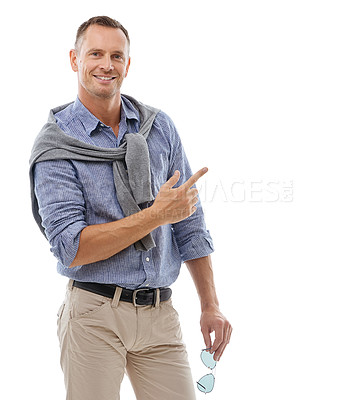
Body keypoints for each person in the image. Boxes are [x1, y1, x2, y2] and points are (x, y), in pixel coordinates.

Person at [29, 16, 232, 400]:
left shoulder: (160, 128)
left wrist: (211, 305)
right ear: (75, 60)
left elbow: (190, 224)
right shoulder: (56, 145)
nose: (107, 64)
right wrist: (156, 216)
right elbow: (71, 247)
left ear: (127, 64)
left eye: (116, 55)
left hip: (159, 315)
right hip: (93, 315)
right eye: (96, 54)